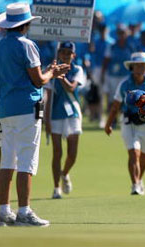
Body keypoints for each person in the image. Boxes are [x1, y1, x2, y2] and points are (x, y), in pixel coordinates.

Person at [0, 3, 69, 227]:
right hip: (27, 107)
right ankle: (24, 212)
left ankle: (4, 211)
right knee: (26, 160)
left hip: (6, 108)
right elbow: (38, 80)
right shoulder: (27, 45)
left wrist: (48, 72)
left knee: (8, 160)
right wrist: (52, 72)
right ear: (25, 24)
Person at [105, 52, 145, 195]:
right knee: (134, 153)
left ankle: (139, 180)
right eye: (137, 65)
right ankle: (135, 184)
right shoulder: (124, 84)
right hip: (129, 123)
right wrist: (108, 123)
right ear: (132, 67)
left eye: (143, 65)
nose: (140, 68)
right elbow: (116, 105)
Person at [44, 41, 86, 199]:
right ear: (59, 54)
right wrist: (46, 119)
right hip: (55, 114)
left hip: (73, 113)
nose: (66, 55)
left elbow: (71, 88)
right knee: (57, 152)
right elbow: (46, 96)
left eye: (69, 53)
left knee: (72, 153)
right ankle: (56, 187)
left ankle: (64, 173)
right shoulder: (51, 70)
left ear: (73, 55)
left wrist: (60, 76)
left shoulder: (77, 69)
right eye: (63, 52)